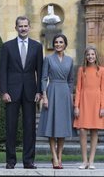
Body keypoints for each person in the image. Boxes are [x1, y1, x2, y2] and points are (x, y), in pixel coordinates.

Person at [0, 16, 43, 169]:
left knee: (30, 127)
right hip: (11, 92)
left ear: (29, 27)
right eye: (20, 26)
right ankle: (10, 161)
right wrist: (3, 91)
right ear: (16, 27)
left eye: (25, 26)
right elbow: (2, 71)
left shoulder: (37, 46)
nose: (23, 28)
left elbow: (40, 70)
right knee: (11, 126)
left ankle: (28, 161)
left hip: (31, 92)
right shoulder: (7, 47)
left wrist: (40, 91)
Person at [37, 34, 77, 169]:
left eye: (61, 42)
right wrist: (44, 96)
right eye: (56, 42)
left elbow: (71, 80)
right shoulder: (48, 59)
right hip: (52, 91)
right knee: (52, 126)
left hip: (65, 93)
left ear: (65, 44)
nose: (58, 44)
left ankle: (60, 157)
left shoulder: (70, 60)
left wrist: (70, 96)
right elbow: (43, 78)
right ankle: (54, 157)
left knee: (62, 128)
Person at [73, 46, 104, 170]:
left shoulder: (101, 70)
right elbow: (78, 89)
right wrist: (76, 106)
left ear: (96, 56)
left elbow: (103, 90)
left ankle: (91, 161)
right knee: (82, 130)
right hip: (84, 102)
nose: (90, 56)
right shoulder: (82, 70)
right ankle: (84, 160)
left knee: (94, 131)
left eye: (92, 54)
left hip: (96, 102)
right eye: (88, 55)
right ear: (85, 56)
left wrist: (102, 106)